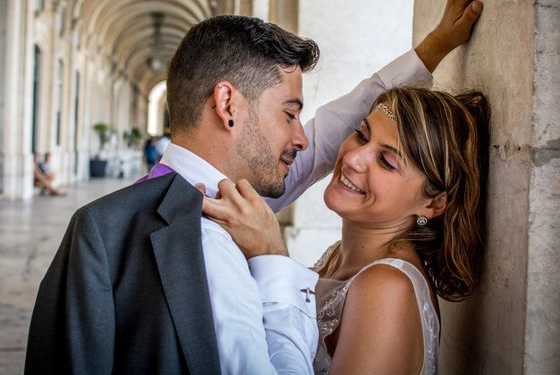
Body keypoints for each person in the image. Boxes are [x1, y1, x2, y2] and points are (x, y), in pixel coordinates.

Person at [24, 0, 484, 375]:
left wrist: (434, 48)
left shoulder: (129, 219)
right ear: (228, 106)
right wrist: (273, 261)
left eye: (387, 159)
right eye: (290, 114)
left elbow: (334, 129)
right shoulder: (228, 215)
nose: (302, 139)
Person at [203, 87, 489, 375]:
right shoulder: (339, 254)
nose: (353, 158)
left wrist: (271, 255)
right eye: (362, 135)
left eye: (387, 162)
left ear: (433, 203)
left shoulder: (387, 287)